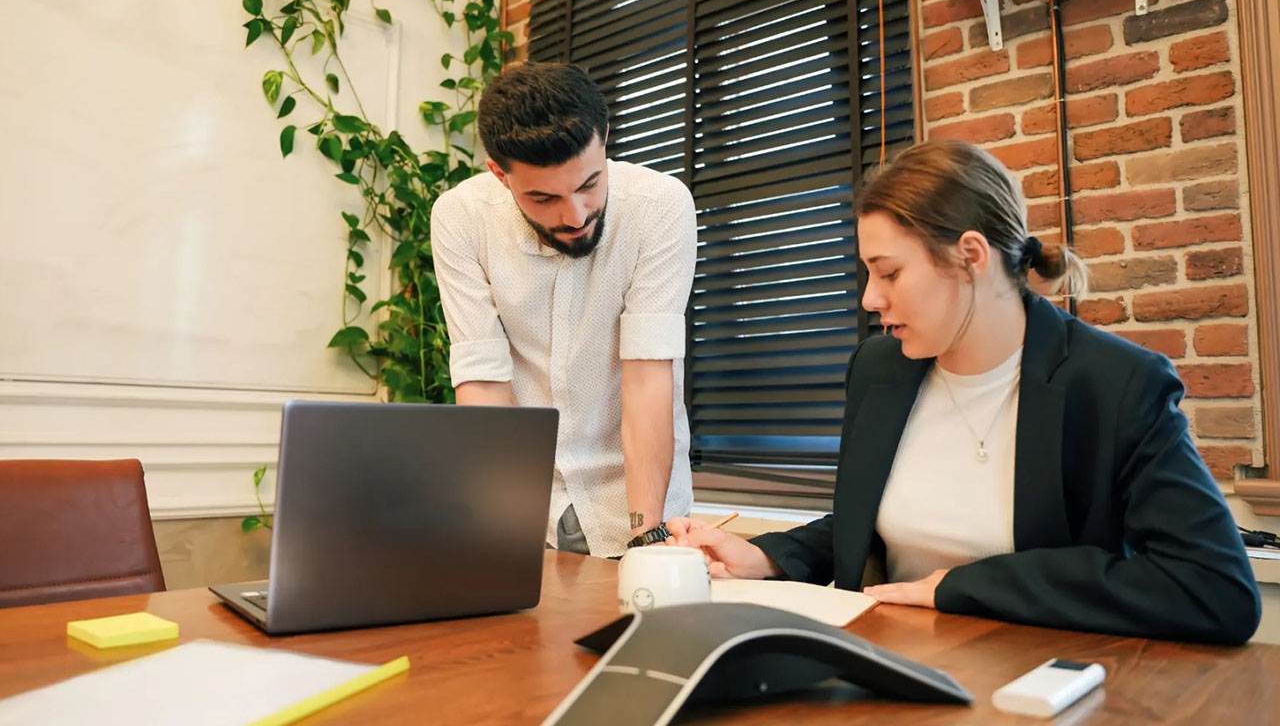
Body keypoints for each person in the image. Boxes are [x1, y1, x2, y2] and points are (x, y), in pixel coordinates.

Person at [668, 139, 1261, 645]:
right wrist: (768, 558)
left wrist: (961, 586)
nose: (869, 299)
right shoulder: (880, 370)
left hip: (1036, 683)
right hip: (881, 668)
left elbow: (1213, 589)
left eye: (890, 272)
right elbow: (871, 523)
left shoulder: (1116, 385)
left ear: (970, 255)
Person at [431, 62, 697, 558]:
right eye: (543, 197)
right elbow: (484, 381)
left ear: (606, 139)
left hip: (638, 502)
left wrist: (646, 538)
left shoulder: (659, 206)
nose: (574, 216)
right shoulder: (462, 217)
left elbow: (647, 377)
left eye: (589, 185)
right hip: (529, 503)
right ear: (500, 175)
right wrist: (503, 524)